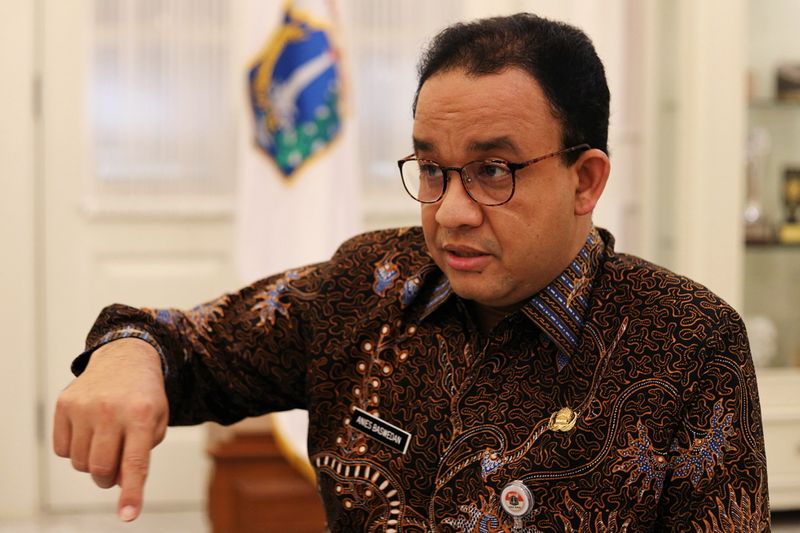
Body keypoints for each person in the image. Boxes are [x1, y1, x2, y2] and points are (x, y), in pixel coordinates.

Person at [53, 12, 770, 532]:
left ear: (585, 180)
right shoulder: (371, 282)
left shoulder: (686, 340)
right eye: (431, 168)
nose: (451, 211)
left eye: (493, 171)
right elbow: (184, 343)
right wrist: (128, 352)